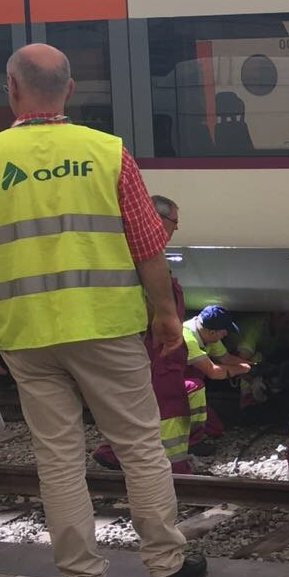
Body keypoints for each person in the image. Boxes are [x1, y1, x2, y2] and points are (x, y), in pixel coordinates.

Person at [0, 43, 206, 577]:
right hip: (107, 325)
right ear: (69, 90)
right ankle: (166, 565)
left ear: (11, 91)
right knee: (140, 446)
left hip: (27, 334)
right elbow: (147, 247)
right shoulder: (108, 152)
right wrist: (166, 314)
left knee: (58, 458)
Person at [93, 194, 192, 473]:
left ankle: (115, 451)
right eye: (174, 222)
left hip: (147, 346)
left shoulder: (126, 250)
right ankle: (175, 468)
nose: (176, 229)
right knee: (167, 405)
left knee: (135, 403)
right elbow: (147, 305)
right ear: (158, 220)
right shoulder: (144, 256)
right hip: (155, 350)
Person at [183, 304, 252, 453]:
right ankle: (192, 443)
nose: (226, 335)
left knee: (216, 430)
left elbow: (226, 358)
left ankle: (197, 432)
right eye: (223, 332)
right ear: (212, 332)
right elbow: (213, 372)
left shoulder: (207, 334)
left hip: (187, 386)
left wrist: (252, 365)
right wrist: (240, 370)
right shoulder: (188, 338)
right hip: (171, 385)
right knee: (197, 386)